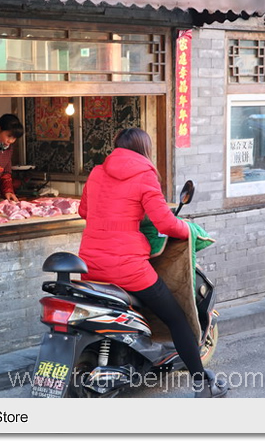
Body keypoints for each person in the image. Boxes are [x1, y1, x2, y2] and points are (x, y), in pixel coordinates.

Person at [77, 127, 228, 398]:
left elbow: (84, 211)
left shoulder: (97, 171)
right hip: (127, 268)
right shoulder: (144, 174)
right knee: (177, 318)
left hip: (89, 264)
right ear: (145, 149)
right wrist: (191, 231)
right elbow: (165, 223)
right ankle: (202, 383)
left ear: (116, 146)